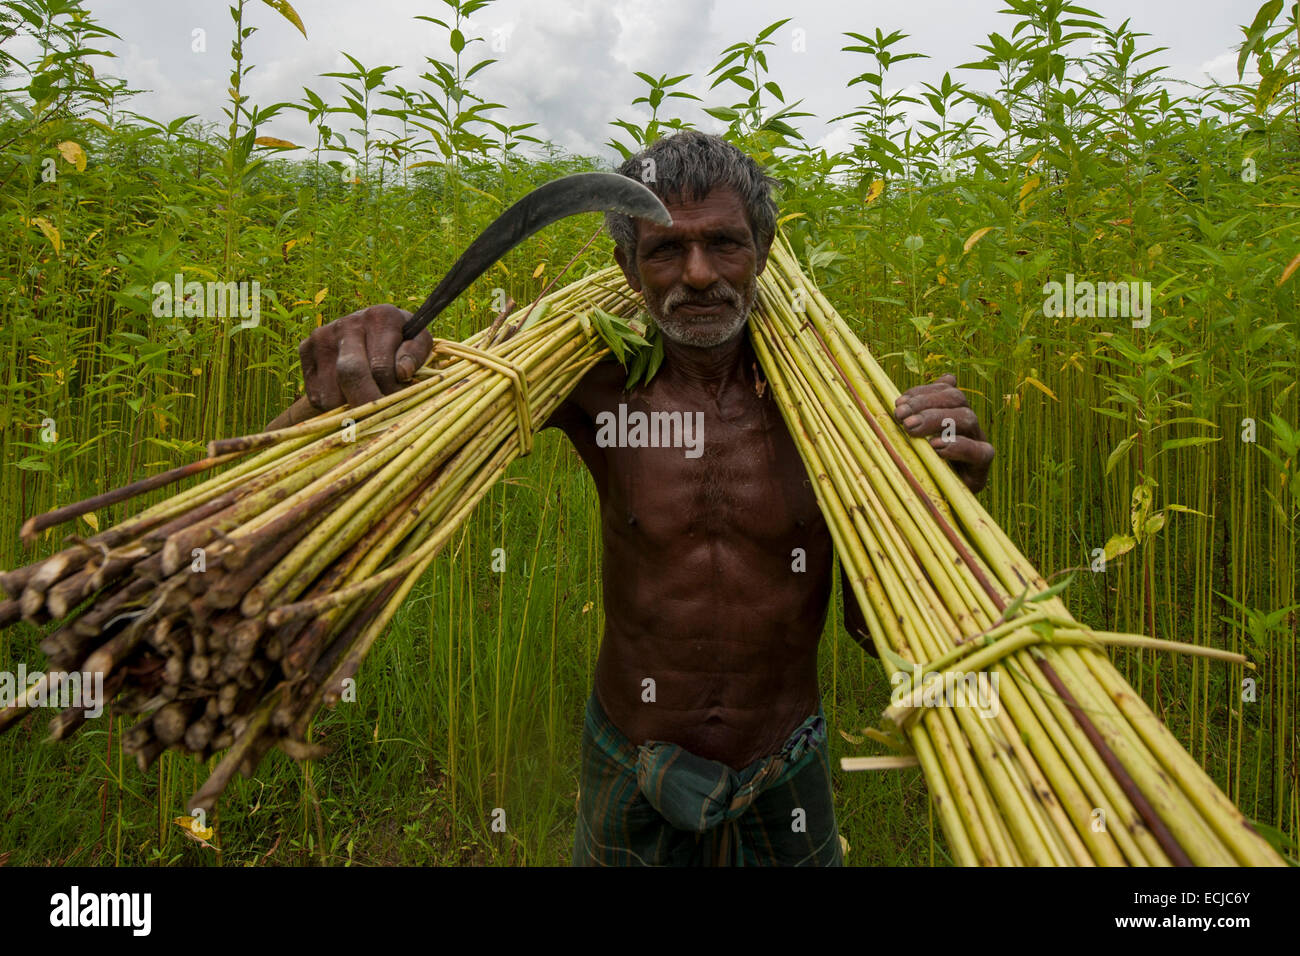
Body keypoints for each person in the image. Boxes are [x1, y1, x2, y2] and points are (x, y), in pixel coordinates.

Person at [273, 130, 995, 866]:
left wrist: (938, 508)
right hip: (630, 759)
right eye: (664, 251)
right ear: (626, 267)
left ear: (766, 252)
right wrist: (360, 370)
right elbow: (381, 433)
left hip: (786, 762)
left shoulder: (838, 402)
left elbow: (873, 632)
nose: (700, 275)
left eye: (725, 244)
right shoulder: (588, 382)